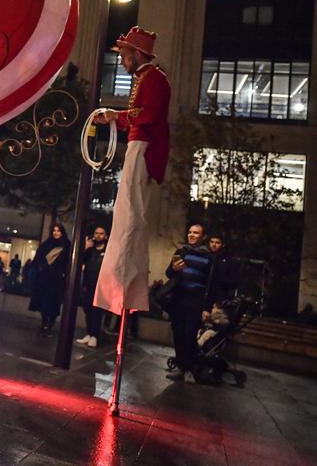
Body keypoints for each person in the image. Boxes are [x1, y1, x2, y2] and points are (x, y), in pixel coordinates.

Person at [93, 26, 171, 315]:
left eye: (125, 55)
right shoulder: (147, 78)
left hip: (144, 148)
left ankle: (123, 287)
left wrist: (116, 115)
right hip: (139, 146)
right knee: (125, 215)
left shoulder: (155, 79)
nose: (123, 61)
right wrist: (117, 118)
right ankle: (119, 284)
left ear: (138, 54)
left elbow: (148, 115)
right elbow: (141, 116)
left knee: (129, 217)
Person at [165, 224, 213, 383]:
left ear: (203, 236)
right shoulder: (181, 251)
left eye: (196, 233)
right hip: (179, 297)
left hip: (196, 299)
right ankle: (180, 366)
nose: (192, 235)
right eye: (190, 232)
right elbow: (169, 273)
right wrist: (174, 268)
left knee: (189, 334)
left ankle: (189, 369)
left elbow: (211, 283)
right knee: (178, 333)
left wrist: (207, 307)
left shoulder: (208, 257)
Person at [29, 224, 69, 335]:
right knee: (43, 302)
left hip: (57, 279)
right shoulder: (46, 244)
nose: (56, 233)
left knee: (53, 303)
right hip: (44, 278)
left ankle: (50, 324)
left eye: (58, 231)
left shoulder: (66, 245)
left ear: (62, 232)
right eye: (54, 231)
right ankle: (44, 322)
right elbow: (37, 259)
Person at [76, 226, 108, 348]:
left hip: (101, 286)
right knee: (88, 310)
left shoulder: (108, 251)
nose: (98, 236)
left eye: (101, 233)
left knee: (96, 311)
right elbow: (81, 261)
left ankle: (95, 335)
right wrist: (85, 248)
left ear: (105, 236)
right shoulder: (90, 251)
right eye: (96, 233)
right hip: (88, 285)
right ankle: (89, 333)